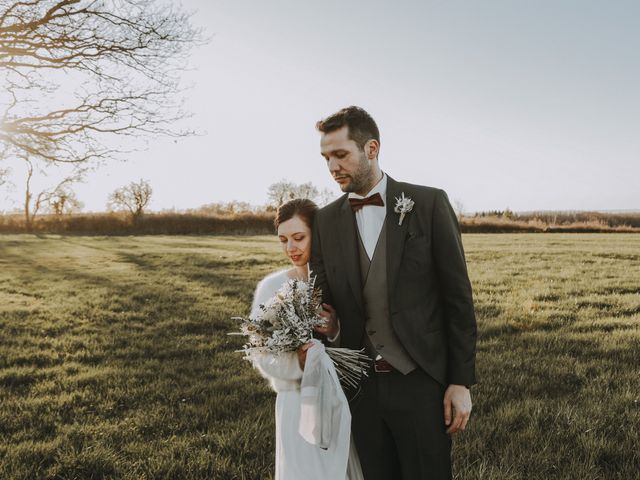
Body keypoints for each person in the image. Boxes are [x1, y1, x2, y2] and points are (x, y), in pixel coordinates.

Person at [310, 106, 477, 480]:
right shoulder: (325, 220)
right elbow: (322, 301)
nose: (332, 166)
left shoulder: (429, 204)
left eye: (341, 155)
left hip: (420, 382)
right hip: (358, 388)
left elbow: (458, 300)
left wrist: (460, 381)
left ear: (371, 149)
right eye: (326, 158)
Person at [249, 198, 364, 480]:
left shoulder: (341, 283)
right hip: (296, 401)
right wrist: (297, 363)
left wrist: (335, 330)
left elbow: (363, 341)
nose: (291, 248)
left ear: (318, 234)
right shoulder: (272, 287)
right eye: (284, 240)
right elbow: (261, 352)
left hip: (340, 398)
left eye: (299, 237)